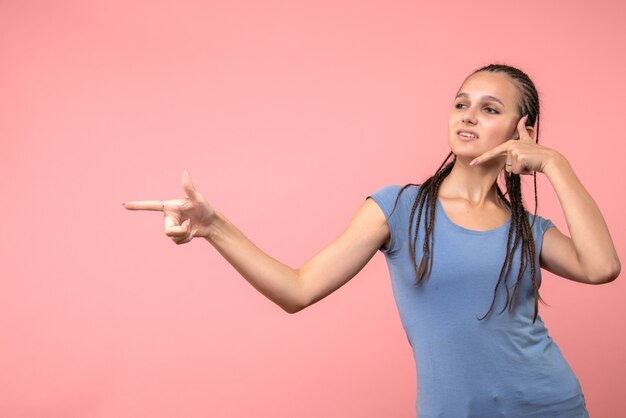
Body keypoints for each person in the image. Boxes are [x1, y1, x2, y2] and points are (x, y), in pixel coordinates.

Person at [123, 63, 620, 417]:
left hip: (550, 406)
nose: (468, 115)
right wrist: (214, 227)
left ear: (520, 129)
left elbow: (601, 267)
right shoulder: (398, 209)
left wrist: (554, 163)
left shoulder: (527, 232)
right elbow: (297, 290)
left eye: (490, 109)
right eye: (461, 103)